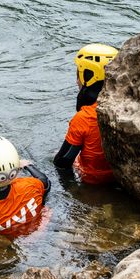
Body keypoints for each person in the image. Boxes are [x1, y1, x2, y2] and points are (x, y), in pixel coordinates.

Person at [53, 43, 118, 184]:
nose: (77, 80)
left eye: (79, 73)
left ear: (88, 76)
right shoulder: (125, 107)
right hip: (119, 178)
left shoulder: (84, 118)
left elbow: (62, 162)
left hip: (92, 180)